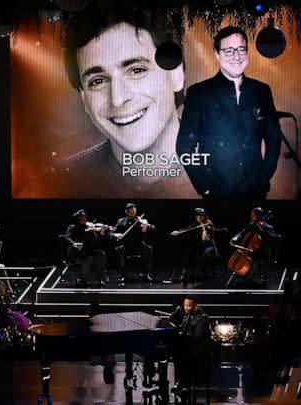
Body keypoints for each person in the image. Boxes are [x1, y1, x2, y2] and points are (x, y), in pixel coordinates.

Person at [60, 1, 198, 198]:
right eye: (98, 81)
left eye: (136, 70)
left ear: (175, 75)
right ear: (84, 99)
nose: (117, 99)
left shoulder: (230, 169)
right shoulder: (63, 181)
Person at [177, 26, 283, 199]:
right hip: (216, 193)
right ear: (217, 54)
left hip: (255, 192)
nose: (237, 56)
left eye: (241, 49)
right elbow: (184, 147)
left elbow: (274, 140)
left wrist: (263, 178)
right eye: (229, 51)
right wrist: (204, 187)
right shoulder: (199, 93)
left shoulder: (261, 90)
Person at [169, 295, 210, 389]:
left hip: (198, 350)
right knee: (174, 353)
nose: (186, 308)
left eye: (189, 305)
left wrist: (182, 335)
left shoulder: (203, 317)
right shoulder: (188, 315)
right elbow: (183, 328)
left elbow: (198, 337)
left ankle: (183, 382)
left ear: (195, 305)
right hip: (188, 347)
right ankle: (178, 381)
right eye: (185, 305)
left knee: (180, 357)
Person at [170, 208, 219, 283]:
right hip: (201, 246)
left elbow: (207, 238)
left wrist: (205, 231)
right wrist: (178, 231)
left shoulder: (209, 223)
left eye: (201, 217)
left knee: (206, 253)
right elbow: (187, 228)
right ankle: (184, 273)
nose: (199, 218)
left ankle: (205, 272)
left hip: (210, 246)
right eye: (197, 217)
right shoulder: (197, 223)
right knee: (188, 251)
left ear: (204, 216)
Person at [110, 203, 154, 284]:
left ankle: (146, 274)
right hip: (126, 246)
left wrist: (144, 230)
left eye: (133, 212)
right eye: (130, 212)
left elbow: (151, 229)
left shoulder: (141, 221)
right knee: (118, 250)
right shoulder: (121, 222)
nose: (132, 214)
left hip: (139, 245)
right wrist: (115, 235)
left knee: (149, 249)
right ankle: (122, 275)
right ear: (126, 212)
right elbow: (110, 233)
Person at [62, 209, 108, 287]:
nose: (85, 220)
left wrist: (101, 233)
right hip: (75, 253)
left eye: (85, 218)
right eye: (82, 218)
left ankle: (98, 280)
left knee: (101, 254)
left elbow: (95, 242)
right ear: (77, 219)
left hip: (87, 251)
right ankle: (85, 281)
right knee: (87, 259)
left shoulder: (89, 228)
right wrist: (74, 243)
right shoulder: (72, 227)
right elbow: (66, 237)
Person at [230, 207, 278, 277]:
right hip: (248, 251)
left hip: (262, 252)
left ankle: (250, 279)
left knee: (254, 261)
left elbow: (273, 239)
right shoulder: (250, 225)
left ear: (259, 216)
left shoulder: (268, 227)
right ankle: (246, 279)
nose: (251, 217)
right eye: (251, 215)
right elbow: (242, 232)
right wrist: (235, 237)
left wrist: (263, 230)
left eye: (253, 215)